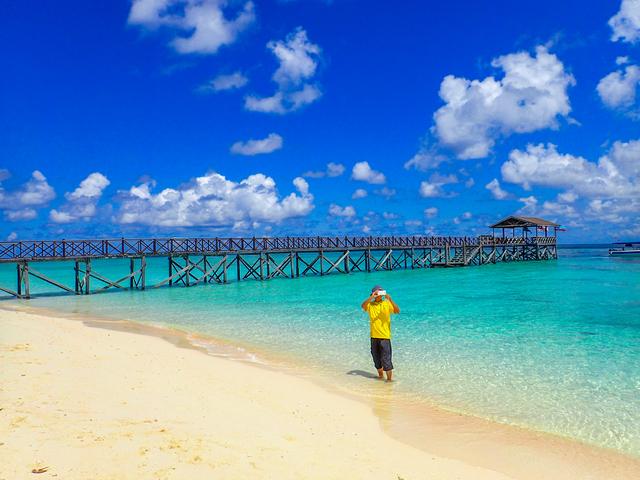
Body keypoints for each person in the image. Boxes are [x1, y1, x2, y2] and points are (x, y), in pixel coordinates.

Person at [361, 285, 400, 381]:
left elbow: (397, 311)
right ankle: (380, 376)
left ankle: (389, 380)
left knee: (386, 359)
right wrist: (371, 297)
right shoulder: (370, 305)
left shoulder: (386, 303)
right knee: (376, 358)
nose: (379, 294)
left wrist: (390, 299)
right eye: (378, 292)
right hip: (374, 336)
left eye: (381, 292)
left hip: (384, 337)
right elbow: (363, 306)